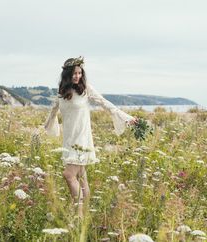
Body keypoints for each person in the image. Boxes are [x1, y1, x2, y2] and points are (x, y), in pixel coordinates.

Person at [43, 56, 137, 219]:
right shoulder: (62, 93)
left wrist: (126, 118)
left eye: (79, 73)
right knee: (81, 177)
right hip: (69, 140)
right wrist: (45, 127)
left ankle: (78, 215)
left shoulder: (85, 89)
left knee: (69, 175)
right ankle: (86, 216)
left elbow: (104, 102)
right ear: (66, 75)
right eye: (74, 73)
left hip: (82, 139)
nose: (77, 76)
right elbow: (53, 111)